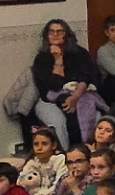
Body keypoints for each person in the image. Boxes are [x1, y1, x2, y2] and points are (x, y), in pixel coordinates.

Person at [33, 19, 102, 150]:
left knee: (97, 116)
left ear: (66, 34)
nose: (55, 35)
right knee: (59, 122)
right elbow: (52, 85)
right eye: (51, 32)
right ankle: (66, 154)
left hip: (80, 94)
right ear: (47, 35)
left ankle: (89, 151)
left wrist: (75, 97)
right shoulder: (41, 58)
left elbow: (87, 77)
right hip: (49, 100)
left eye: (60, 31)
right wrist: (58, 60)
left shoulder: (80, 53)